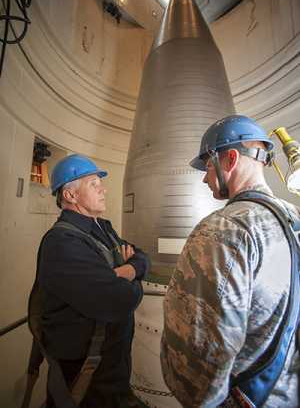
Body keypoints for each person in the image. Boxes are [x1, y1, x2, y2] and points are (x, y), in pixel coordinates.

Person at [161, 115, 300, 407]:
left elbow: (199, 361)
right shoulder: (295, 217)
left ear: (230, 159)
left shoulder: (223, 229)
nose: (205, 176)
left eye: (208, 165)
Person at [32, 154, 149, 408]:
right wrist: (133, 278)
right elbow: (118, 300)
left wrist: (127, 271)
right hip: (85, 377)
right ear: (70, 195)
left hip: (112, 367)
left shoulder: (103, 229)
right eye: (94, 184)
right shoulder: (62, 243)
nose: (103, 189)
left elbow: (142, 259)